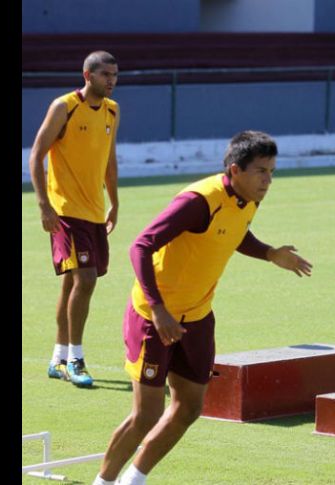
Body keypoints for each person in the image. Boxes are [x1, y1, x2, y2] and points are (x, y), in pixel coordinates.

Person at [92, 131, 313, 485]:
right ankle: (103, 481)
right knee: (146, 414)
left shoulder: (249, 199)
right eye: (261, 171)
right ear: (235, 170)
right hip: (154, 318)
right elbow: (140, 246)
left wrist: (270, 253)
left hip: (197, 318)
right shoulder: (198, 201)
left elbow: (234, 232)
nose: (268, 180)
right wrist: (158, 309)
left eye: (272, 171)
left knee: (190, 407)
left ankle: (133, 479)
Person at [29, 51, 120, 387]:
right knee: (86, 279)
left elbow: (109, 160)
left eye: (115, 75)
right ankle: (75, 359)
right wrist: (44, 205)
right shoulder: (64, 107)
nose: (111, 81)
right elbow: (36, 155)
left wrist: (115, 202)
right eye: (105, 74)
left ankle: (57, 358)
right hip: (65, 211)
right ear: (87, 75)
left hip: (94, 211)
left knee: (72, 283)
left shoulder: (112, 110)